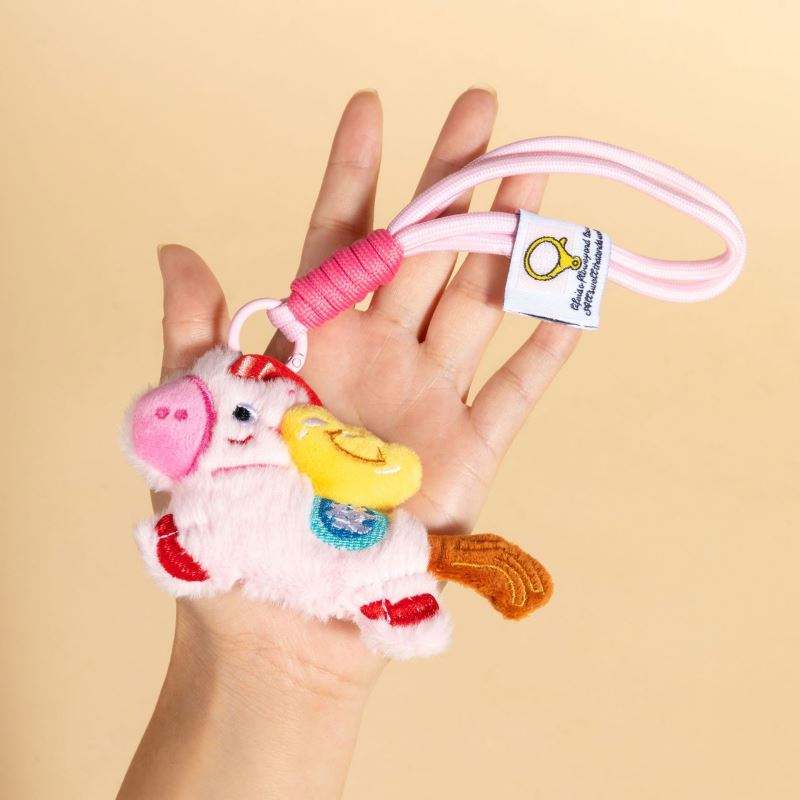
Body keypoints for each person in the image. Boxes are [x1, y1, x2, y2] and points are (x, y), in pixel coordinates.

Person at [116, 86, 579, 800]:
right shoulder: (227, 483)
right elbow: (185, 547)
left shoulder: (264, 452)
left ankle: (396, 598)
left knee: (370, 548)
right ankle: (395, 601)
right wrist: (269, 671)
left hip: (355, 518)